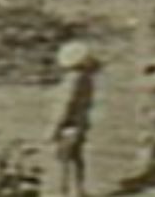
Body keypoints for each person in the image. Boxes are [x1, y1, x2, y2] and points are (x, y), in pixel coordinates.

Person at [49, 41, 100, 197]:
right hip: (81, 123)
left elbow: (65, 105)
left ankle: (61, 191)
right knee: (77, 158)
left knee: (62, 159)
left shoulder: (71, 80)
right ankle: (79, 189)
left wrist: (54, 127)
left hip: (68, 125)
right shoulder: (87, 79)